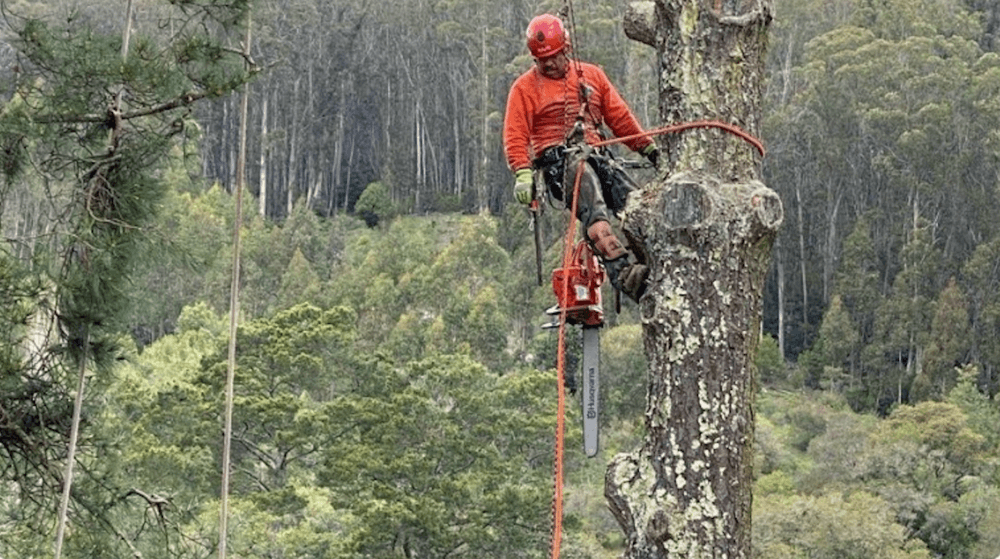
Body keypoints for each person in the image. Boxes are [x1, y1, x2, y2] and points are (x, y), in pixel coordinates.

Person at [503, 13, 658, 302]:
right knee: (592, 203)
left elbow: (619, 118)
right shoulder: (524, 88)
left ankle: (657, 264)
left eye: (553, 56)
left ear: (567, 49)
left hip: (599, 156)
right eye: (541, 60)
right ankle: (625, 275)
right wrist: (522, 172)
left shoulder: (592, 76)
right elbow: (515, 134)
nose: (548, 64)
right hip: (560, 164)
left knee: (637, 203)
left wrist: (648, 148)